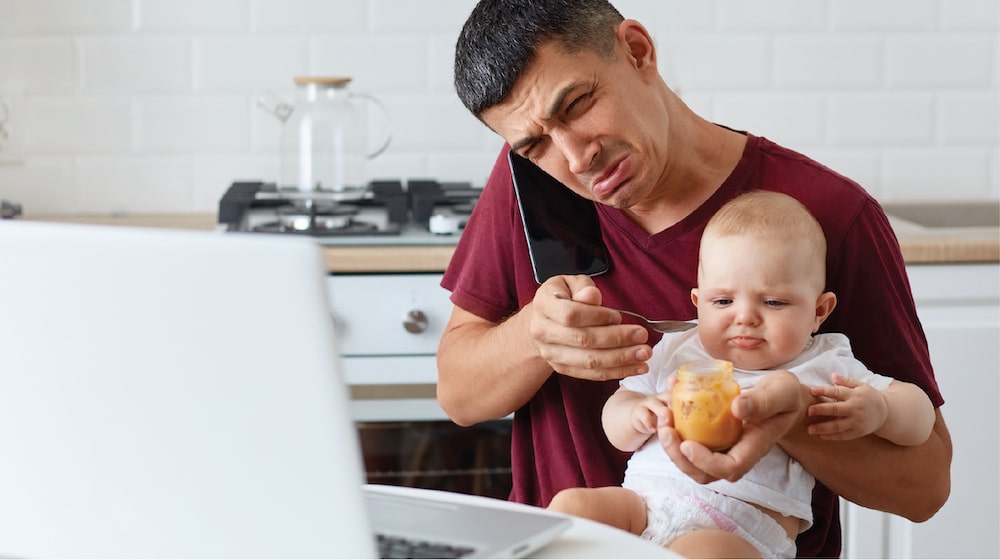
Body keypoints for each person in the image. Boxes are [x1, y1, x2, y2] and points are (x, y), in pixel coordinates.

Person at [438, 1, 952, 556]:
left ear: (637, 51)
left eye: (578, 104)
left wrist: (792, 413)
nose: (575, 157)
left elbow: (925, 488)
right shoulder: (533, 187)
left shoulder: (825, 216)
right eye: (534, 143)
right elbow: (459, 395)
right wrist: (534, 336)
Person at [545, 191, 936, 558]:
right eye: (723, 301)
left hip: (740, 528)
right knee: (569, 508)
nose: (745, 316)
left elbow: (920, 418)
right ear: (698, 304)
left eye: (773, 301)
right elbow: (615, 419)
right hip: (643, 504)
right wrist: (636, 413)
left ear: (819, 311)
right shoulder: (680, 349)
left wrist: (882, 410)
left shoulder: (824, 363)